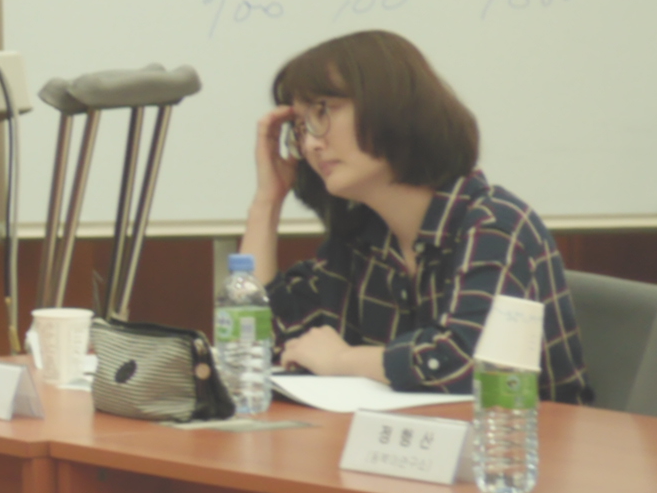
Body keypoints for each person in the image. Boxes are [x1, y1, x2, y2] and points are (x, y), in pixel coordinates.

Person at [235, 28, 587, 404]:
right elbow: (258, 341)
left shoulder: (493, 224)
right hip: (416, 437)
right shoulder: (363, 238)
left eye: (323, 112)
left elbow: (467, 367)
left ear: (391, 107)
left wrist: (344, 359)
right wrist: (267, 202)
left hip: (528, 438)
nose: (309, 143)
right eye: (300, 127)